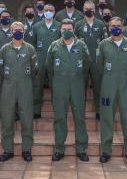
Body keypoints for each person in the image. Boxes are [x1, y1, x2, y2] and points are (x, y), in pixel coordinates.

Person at [46, 19, 91, 162]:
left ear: (73, 30)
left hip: (77, 87)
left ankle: (81, 149)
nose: (67, 31)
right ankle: (59, 149)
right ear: (60, 30)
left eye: (69, 29)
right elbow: (49, 67)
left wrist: (77, 78)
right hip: (60, 88)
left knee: (80, 118)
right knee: (59, 118)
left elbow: (87, 64)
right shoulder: (54, 46)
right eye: (64, 28)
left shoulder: (81, 45)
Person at [96, 17, 127, 164]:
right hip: (108, 87)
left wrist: (126, 76)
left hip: (125, 86)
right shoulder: (103, 44)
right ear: (109, 28)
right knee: (107, 118)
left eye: (118, 25)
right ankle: (106, 151)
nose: (115, 28)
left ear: (123, 27)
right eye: (112, 26)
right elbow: (99, 65)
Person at [0, 22, 38, 162]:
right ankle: (7, 150)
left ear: (24, 31)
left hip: (25, 87)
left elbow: (34, 69)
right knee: (7, 120)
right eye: (15, 30)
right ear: (11, 31)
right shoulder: (4, 49)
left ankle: (26, 149)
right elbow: (0, 69)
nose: (18, 32)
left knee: (26, 119)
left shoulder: (30, 49)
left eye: (20, 30)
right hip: (8, 88)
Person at [75, 0, 107, 120]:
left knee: (98, 87)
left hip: (97, 61)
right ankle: (79, 112)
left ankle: (99, 111)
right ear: (83, 9)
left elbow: (106, 42)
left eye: (91, 8)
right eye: (86, 8)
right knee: (79, 88)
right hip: (81, 61)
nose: (89, 10)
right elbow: (73, 43)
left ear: (94, 9)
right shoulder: (78, 24)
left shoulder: (101, 24)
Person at [31, 4, 61, 119]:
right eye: (46, 10)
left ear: (54, 12)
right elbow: (32, 44)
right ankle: (36, 110)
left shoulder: (59, 26)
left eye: (51, 10)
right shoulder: (36, 26)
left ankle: (57, 110)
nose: (48, 12)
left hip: (55, 60)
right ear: (43, 11)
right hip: (40, 59)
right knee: (37, 85)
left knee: (56, 86)